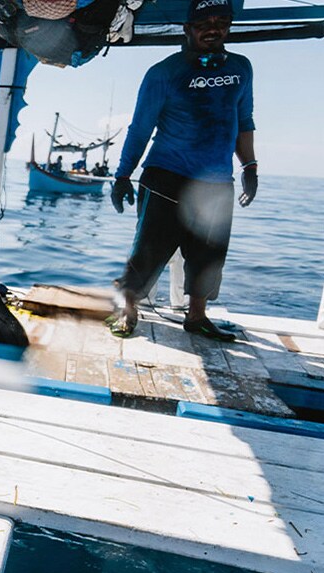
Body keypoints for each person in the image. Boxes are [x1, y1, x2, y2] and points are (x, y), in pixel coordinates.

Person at [108, 0, 257, 341]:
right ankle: (127, 308)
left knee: (209, 254)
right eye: (203, 21)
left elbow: (244, 120)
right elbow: (140, 128)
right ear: (187, 29)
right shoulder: (164, 73)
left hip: (217, 180)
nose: (212, 27)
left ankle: (197, 316)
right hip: (166, 175)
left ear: (229, 27)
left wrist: (249, 165)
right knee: (148, 249)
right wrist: (122, 175)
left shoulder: (242, 68)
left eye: (221, 20)